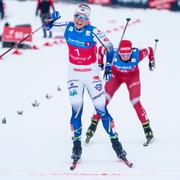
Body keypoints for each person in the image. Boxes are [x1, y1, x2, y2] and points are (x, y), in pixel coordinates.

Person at [43, 3, 131, 165]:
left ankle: (116, 145)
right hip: (74, 74)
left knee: (101, 109)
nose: (79, 20)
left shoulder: (93, 31)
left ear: (88, 20)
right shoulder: (67, 27)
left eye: (83, 18)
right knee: (76, 110)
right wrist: (50, 20)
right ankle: (77, 145)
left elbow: (110, 48)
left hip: (91, 75)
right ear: (74, 16)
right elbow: (47, 27)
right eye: (77, 16)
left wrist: (108, 66)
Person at [86, 40, 155, 146]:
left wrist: (152, 61)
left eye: (128, 54)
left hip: (132, 77)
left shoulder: (137, 55)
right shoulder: (113, 53)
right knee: (103, 102)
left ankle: (147, 130)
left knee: (135, 102)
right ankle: (93, 125)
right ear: (118, 52)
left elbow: (150, 50)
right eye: (122, 54)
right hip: (115, 76)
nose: (125, 57)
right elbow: (100, 50)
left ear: (131, 51)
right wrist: (100, 63)